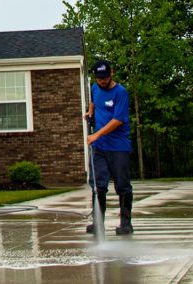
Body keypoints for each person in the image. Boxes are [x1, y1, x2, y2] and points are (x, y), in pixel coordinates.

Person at [84, 60, 134, 235]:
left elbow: (118, 120)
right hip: (99, 148)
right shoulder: (94, 88)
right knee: (98, 185)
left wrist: (96, 134)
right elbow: (94, 101)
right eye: (99, 78)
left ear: (111, 73)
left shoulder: (121, 92)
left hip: (118, 146)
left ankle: (126, 223)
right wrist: (90, 112)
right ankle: (98, 222)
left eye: (105, 78)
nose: (102, 81)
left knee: (122, 185)